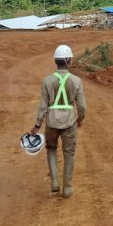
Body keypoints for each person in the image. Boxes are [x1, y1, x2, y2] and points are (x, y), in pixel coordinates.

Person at [31, 44, 87, 199]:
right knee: (69, 154)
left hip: (51, 122)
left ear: (55, 61)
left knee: (51, 150)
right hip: (70, 122)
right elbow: (81, 105)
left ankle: (55, 183)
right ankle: (67, 188)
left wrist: (37, 125)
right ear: (68, 60)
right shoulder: (76, 81)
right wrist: (80, 119)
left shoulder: (47, 81)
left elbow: (43, 106)